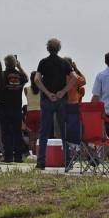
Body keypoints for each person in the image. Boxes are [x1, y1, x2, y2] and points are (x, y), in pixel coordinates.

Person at [35, 38, 76, 170]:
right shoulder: (64, 62)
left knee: (44, 132)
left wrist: (47, 93)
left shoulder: (43, 62)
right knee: (64, 131)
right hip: (61, 100)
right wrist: (63, 91)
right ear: (59, 48)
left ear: (48, 48)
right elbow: (74, 78)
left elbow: (36, 79)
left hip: (47, 100)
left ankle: (41, 162)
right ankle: (67, 161)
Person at [0, 55, 28, 163]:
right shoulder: (20, 75)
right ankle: (18, 157)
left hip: (5, 107)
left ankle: (8, 157)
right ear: (15, 63)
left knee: (6, 133)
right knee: (17, 133)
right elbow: (27, 78)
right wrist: (19, 67)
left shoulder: (2, 75)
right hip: (17, 108)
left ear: (6, 64)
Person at [24, 72, 42, 158]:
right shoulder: (42, 90)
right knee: (38, 136)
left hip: (30, 113)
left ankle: (31, 155)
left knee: (31, 138)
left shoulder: (26, 89)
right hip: (39, 113)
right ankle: (38, 154)